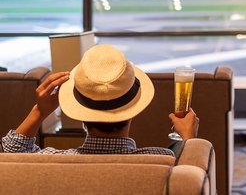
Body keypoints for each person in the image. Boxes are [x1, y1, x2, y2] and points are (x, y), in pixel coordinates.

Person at [1, 44, 199, 155]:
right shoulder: (164, 160)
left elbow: (9, 151)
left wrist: (40, 111)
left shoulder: (54, 161)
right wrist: (190, 141)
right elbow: (195, 182)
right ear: (133, 110)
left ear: (80, 110)